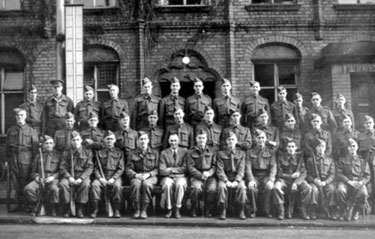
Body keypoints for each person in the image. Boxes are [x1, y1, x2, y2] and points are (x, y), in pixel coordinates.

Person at [5, 108, 39, 211]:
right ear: (15, 117)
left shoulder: (31, 130)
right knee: (16, 182)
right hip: (14, 158)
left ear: (25, 116)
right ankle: (19, 204)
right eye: (17, 115)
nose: (19, 117)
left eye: (21, 115)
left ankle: (27, 204)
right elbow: (7, 147)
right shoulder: (11, 131)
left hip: (26, 158)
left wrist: (34, 162)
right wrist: (6, 160)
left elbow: (35, 148)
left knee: (25, 181)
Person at [24, 135, 61, 217]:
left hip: (53, 178)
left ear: (54, 144)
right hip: (41, 178)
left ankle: (53, 207)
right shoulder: (38, 156)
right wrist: (37, 177)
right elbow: (33, 171)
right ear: (44, 145)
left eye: (51, 143)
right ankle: (39, 204)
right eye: (47, 143)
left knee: (54, 189)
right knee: (28, 189)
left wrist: (52, 177)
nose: (49, 145)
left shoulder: (59, 156)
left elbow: (61, 171)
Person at [90, 130, 124, 218]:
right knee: (95, 185)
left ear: (115, 140)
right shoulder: (99, 153)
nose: (109, 141)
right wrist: (100, 178)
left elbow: (121, 169)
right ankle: (95, 210)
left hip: (114, 176)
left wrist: (113, 178)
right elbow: (96, 168)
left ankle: (116, 210)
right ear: (104, 140)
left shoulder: (119, 152)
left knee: (117, 186)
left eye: (111, 139)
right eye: (108, 139)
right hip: (102, 176)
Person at [274, 139, 311, 220]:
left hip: (298, 181)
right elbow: (279, 174)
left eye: (293, 147)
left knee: (308, 188)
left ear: (296, 148)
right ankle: (281, 211)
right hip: (284, 181)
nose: (291, 148)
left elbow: (303, 173)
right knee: (276, 187)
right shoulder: (281, 158)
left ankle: (303, 210)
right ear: (286, 148)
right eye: (289, 147)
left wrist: (296, 183)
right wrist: (291, 176)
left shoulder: (299, 158)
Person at [59, 131, 93, 218]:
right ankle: (67, 207)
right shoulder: (66, 152)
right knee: (63, 184)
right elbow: (62, 167)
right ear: (71, 141)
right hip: (69, 175)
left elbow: (89, 168)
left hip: (82, 175)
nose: (76, 142)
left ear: (81, 140)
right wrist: (69, 177)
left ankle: (80, 208)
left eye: (78, 139)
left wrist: (81, 178)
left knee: (85, 184)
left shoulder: (87, 152)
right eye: (73, 140)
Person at [126, 132, 159, 219]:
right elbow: (128, 168)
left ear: (148, 141)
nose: (143, 141)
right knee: (136, 185)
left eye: (145, 139)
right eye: (141, 139)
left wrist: (148, 174)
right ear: (137, 141)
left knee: (146, 185)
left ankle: (144, 209)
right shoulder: (132, 153)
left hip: (150, 176)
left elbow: (157, 169)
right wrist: (136, 175)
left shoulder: (155, 153)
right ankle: (137, 209)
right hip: (137, 175)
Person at [336, 138, 371, 221]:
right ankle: (343, 211)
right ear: (347, 148)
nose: (352, 148)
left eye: (354, 146)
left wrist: (361, 182)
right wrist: (348, 181)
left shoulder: (362, 161)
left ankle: (356, 212)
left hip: (358, 182)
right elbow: (339, 173)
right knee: (341, 190)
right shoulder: (342, 160)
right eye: (350, 146)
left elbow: (367, 175)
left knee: (364, 193)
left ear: (357, 147)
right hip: (346, 182)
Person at [246, 129, 277, 218]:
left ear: (266, 139)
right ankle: (253, 210)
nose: (261, 140)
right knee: (251, 188)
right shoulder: (250, 151)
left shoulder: (270, 151)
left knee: (269, 187)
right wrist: (251, 180)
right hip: (255, 175)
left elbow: (273, 167)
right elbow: (248, 168)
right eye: (259, 138)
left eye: (263, 138)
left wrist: (271, 180)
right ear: (255, 139)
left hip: (265, 175)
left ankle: (266, 211)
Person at [216, 132, 246, 220]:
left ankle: (241, 210)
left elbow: (241, 169)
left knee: (242, 187)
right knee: (221, 187)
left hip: (237, 177)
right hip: (225, 177)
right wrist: (226, 181)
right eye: (229, 140)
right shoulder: (220, 154)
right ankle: (223, 210)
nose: (231, 141)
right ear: (226, 141)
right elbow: (220, 170)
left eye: (233, 139)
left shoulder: (242, 153)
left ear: (236, 141)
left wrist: (237, 181)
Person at [187, 129, 217, 217]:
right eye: (199, 138)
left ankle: (208, 208)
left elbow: (215, 166)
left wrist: (209, 173)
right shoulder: (191, 151)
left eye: (203, 138)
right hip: (196, 176)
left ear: (206, 139)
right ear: (196, 139)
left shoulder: (212, 151)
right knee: (196, 188)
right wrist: (200, 175)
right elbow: (190, 167)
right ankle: (193, 208)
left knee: (212, 189)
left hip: (210, 176)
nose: (201, 140)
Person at [305, 139, 336, 220]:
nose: (321, 148)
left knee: (331, 189)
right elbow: (307, 174)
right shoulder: (310, 160)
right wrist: (314, 180)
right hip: (314, 182)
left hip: (326, 182)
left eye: (323, 146)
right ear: (316, 148)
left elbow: (332, 175)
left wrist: (325, 182)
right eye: (319, 146)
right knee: (314, 190)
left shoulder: (330, 160)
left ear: (325, 148)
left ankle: (331, 210)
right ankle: (313, 210)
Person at [159, 134, 188, 219]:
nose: (173, 143)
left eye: (175, 140)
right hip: (168, 177)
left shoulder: (185, 152)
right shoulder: (164, 153)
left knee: (180, 184)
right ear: (168, 141)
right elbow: (162, 170)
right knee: (167, 185)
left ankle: (177, 208)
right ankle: (169, 208)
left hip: (181, 177)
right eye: (171, 141)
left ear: (178, 141)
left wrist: (170, 170)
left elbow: (185, 168)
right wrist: (176, 171)